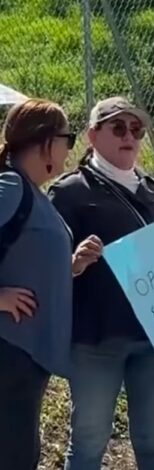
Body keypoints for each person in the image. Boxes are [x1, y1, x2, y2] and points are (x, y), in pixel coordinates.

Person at [48, 97, 154, 470]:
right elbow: (46, 269)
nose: (129, 137)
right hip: (94, 341)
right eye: (118, 127)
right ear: (91, 135)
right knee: (88, 443)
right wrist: (73, 264)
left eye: (136, 130)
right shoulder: (68, 192)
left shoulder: (152, 190)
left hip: (153, 339)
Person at [0, 98, 92, 469]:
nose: (71, 149)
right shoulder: (10, 187)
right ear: (45, 143)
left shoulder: (28, 190)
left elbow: (25, 256)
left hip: (25, 354)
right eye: (67, 138)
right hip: (10, 351)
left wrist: (70, 266)